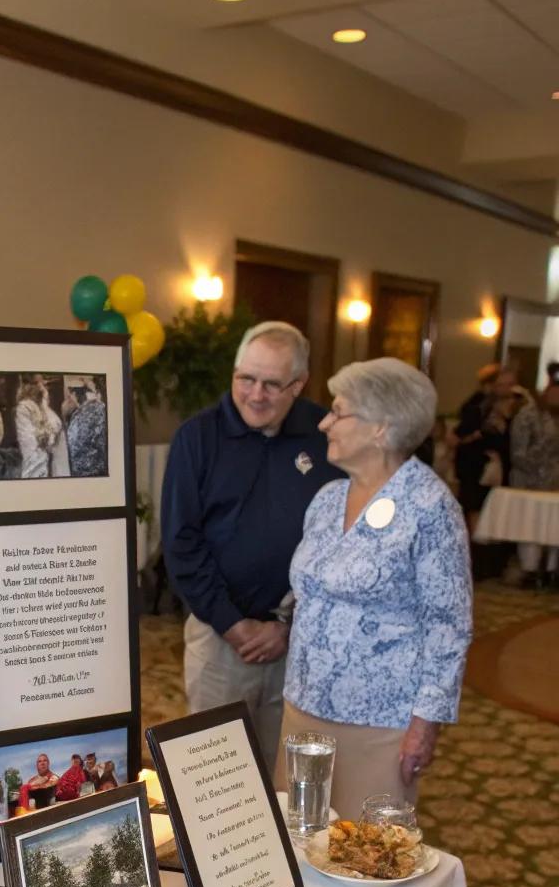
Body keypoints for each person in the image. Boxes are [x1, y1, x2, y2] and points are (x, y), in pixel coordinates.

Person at [275, 358, 472, 819]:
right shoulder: (327, 498)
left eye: (338, 412)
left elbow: (449, 627)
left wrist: (425, 725)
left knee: (365, 857)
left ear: (382, 429)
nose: (324, 422)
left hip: (381, 722)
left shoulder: (430, 507)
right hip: (304, 704)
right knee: (298, 841)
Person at [162, 322, 340, 774]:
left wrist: (287, 625)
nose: (256, 394)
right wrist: (233, 624)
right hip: (221, 639)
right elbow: (181, 543)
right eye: (246, 379)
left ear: (297, 385)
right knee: (216, 775)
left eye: (272, 384)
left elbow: (337, 542)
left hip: (298, 642)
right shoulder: (196, 437)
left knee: (287, 776)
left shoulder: (325, 437)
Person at [453, 363, 519, 528]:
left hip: (504, 469)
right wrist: (482, 430)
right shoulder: (476, 406)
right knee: (475, 511)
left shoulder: (520, 407)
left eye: (511, 384)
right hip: (476, 467)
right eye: (502, 384)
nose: (507, 389)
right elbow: (460, 435)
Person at [510, 381, 559, 584]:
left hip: (554, 484)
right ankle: (529, 571)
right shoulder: (527, 416)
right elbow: (518, 453)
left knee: (554, 526)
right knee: (530, 526)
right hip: (528, 482)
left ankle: (551, 570)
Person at [14, 375, 69, 478]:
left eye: (43, 382)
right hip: (36, 469)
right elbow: (46, 438)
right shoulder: (25, 407)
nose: (43, 386)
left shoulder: (43, 408)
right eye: (37, 383)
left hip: (49, 468)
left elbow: (55, 429)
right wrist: (45, 405)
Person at [64, 377, 107, 477]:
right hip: (89, 473)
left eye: (69, 394)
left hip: (90, 473)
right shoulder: (95, 409)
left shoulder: (91, 411)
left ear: (73, 394)